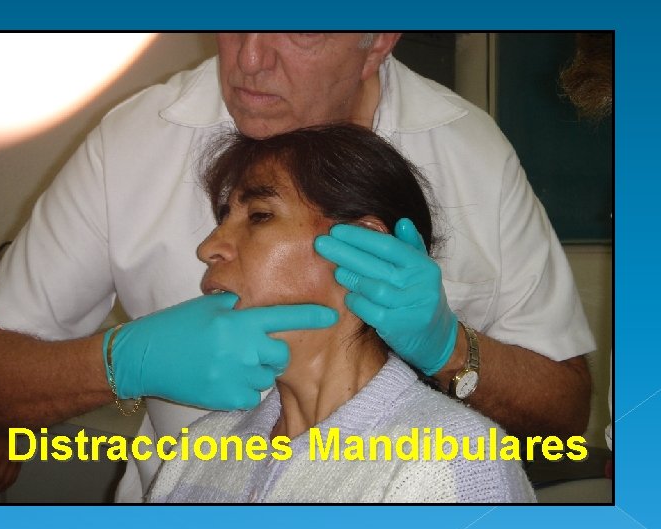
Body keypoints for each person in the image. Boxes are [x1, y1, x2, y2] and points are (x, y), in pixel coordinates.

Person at [0, 33, 594, 503]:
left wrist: (452, 349)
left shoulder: (472, 154)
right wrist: (121, 363)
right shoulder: (135, 140)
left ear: (377, 40)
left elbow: (564, 424)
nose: (249, 59)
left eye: (299, 28)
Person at [148, 123, 536, 503]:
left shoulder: (451, 460)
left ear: (365, 248)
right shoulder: (200, 449)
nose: (209, 248)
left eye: (259, 215)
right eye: (222, 218)